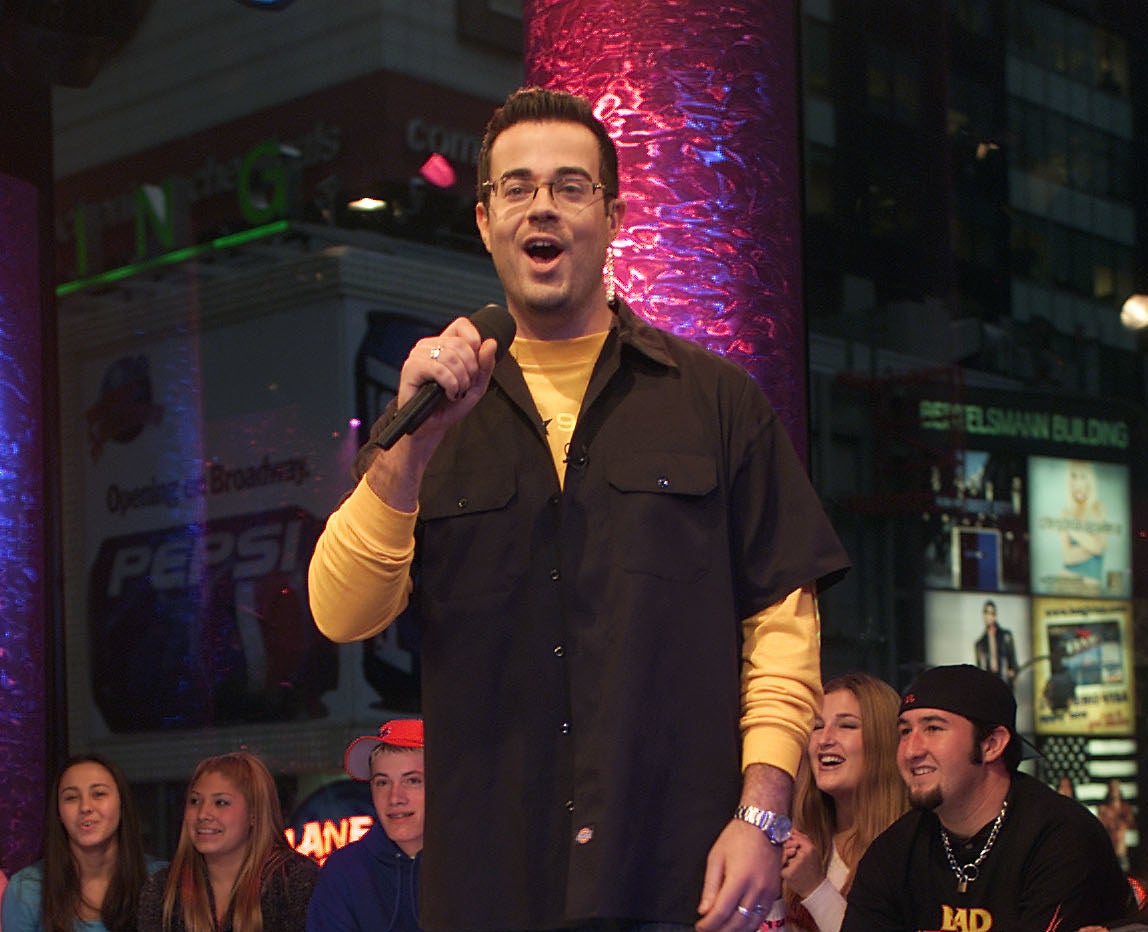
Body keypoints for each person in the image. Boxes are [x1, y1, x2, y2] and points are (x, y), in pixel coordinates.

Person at [308, 86, 851, 931]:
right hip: (491, 884)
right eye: (517, 188)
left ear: (613, 214)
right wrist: (411, 442)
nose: (543, 207)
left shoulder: (714, 401)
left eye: (570, 186)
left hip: (680, 878)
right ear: (486, 220)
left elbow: (782, 629)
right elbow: (340, 612)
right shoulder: (434, 411)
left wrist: (761, 816)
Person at [841, 664, 1131, 931]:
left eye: (933, 728)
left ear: (992, 744)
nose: (910, 750)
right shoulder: (896, 848)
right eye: (905, 731)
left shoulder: (1061, 837)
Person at [774, 673, 908, 932]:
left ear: (883, 741)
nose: (824, 739)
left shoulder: (912, 849)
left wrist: (815, 889)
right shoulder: (795, 839)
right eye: (817, 726)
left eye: (846, 726)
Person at [137, 751, 318, 932]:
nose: (202, 814)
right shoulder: (163, 888)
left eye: (221, 803)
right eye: (195, 801)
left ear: (254, 813)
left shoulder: (295, 880)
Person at [1, 754, 163, 932]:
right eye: (71, 797)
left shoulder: (161, 881)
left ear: (121, 803)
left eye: (98, 794)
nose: (85, 807)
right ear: (59, 813)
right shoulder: (26, 890)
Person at [306, 719, 424, 932]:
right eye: (382, 782)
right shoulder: (344, 871)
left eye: (412, 780)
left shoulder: (476, 863)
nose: (395, 797)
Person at [972, 599, 1018, 690]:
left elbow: (1012, 659)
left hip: (1004, 679)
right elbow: (979, 668)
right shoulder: (980, 643)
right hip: (989, 682)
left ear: (995, 616)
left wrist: (1012, 672)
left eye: (991, 613)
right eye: (986, 613)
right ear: (983, 616)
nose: (989, 616)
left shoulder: (1006, 636)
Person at [1098, 778, 1137, 873]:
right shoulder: (1103, 809)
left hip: (1121, 852)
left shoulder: (1125, 808)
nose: (1114, 790)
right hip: (1109, 852)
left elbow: (1131, 825)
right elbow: (1100, 827)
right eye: (1112, 787)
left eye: (1116, 787)